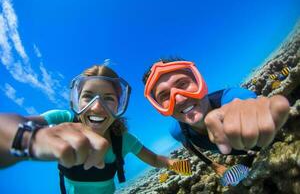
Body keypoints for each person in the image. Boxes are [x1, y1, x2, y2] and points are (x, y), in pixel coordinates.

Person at [0, 65, 189, 194]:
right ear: (76, 100)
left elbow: (155, 159)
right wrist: (27, 139)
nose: (97, 107)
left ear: (119, 106)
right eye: (87, 96)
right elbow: (12, 125)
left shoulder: (123, 139)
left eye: (108, 98)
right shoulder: (61, 120)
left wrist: (184, 166)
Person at [142, 58, 290, 155]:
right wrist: (213, 165)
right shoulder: (176, 131)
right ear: (159, 107)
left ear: (200, 82)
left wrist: (249, 108)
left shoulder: (231, 96)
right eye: (164, 96)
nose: (179, 99)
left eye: (182, 84)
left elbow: (243, 102)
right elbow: (189, 146)